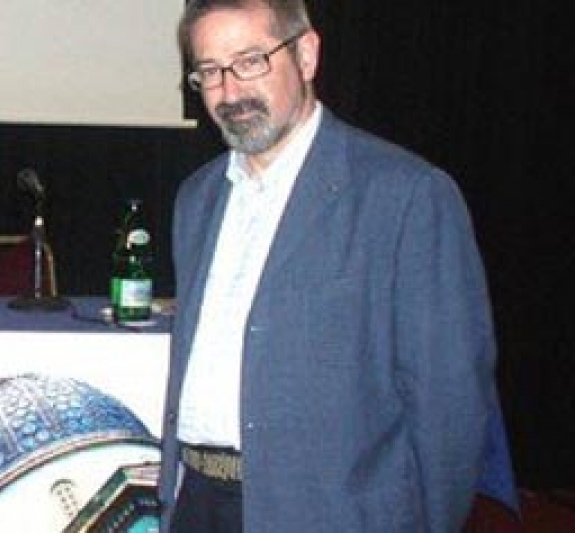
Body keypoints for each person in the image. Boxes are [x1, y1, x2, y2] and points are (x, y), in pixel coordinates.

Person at [158, 0, 502, 532]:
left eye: (250, 61)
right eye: (209, 71)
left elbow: (448, 405)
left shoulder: (406, 195)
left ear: (307, 54)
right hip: (199, 503)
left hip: (331, 514)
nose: (229, 91)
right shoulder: (197, 199)